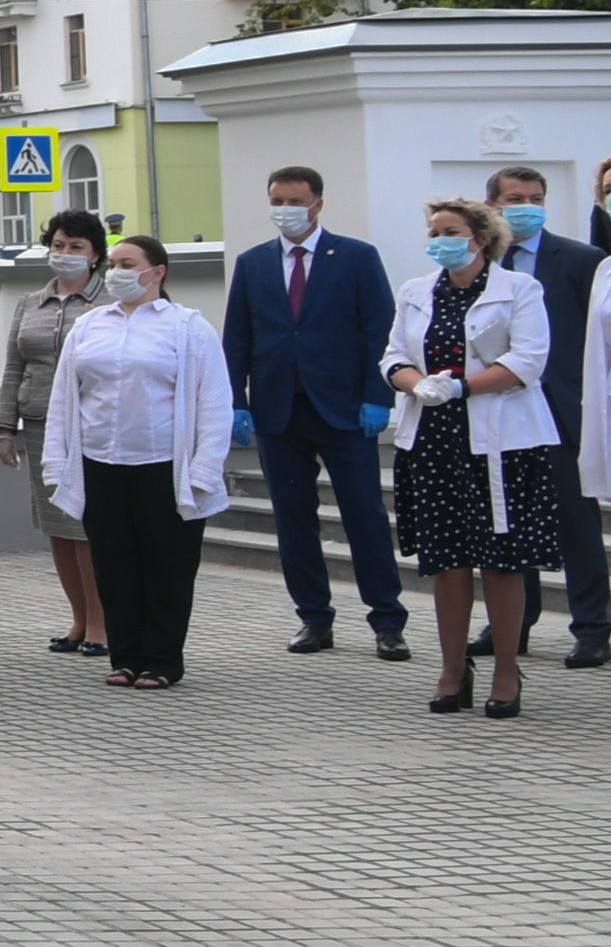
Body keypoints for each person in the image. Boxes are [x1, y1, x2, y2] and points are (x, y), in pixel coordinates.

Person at [220, 162, 408, 659]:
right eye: (277, 202)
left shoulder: (356, 257)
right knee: (293, 517)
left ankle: (387, 619)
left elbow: (379, 330)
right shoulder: (253, 262)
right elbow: (237, 337)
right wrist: (235, 402)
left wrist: (378, 396)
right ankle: (313, 618)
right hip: (279, 410)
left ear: (318, 204)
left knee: (364, 514)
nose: (286, 211)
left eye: (295, 201)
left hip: (344, 408)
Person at [389, 196, 564, 721]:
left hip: (502, 442)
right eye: (434, 230)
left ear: (480, 239)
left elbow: (527, 360)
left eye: (451, 230)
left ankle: (507, 670)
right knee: (447, 561)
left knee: (502, 560)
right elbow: (393, 355)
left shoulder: (519, 289)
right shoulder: (416, 291)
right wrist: (419, 384)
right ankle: (452, 668)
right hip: (434, 439)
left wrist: (461, 388)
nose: (439, 238)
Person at [42, 236, 231, 690]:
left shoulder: (188, 328)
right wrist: (57, 461)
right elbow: (64, 397)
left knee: (167, 565)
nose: (116, 272)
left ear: (157, 272)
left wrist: (205, 468)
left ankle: (162, 660)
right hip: (102, 463)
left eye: (128, 264)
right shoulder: (90, 326)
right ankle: (125, 657)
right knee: (114, 563)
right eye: (113, 264)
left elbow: (213, 403)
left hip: (164, 466)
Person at [485, 165, 606, 667]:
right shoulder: (480, 262)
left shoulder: (583, 260)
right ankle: (513, 625)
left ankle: (595, 627)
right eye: (515, 198)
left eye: (535, 197)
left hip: (560, 411)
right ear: (492, 204)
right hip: (498, 414)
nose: (526, 206)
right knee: (505, 524)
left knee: (576, 524)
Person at [0, 210, 111, 659]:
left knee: (86, 529)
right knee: (57, 528)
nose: (65, 254)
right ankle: (79, 619)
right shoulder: (31, 303)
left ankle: (104, 623)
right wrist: (5, 428)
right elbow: (13, 367)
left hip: (91, 430)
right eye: (59, 245)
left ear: (95, 254)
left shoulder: (106, 304)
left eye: (76, 247)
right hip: (41, 426)